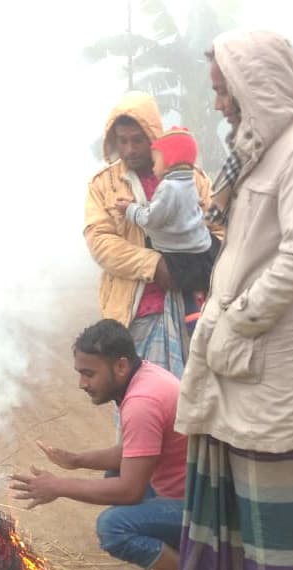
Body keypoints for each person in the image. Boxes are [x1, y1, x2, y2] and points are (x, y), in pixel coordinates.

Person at [172, 30, 293, 570]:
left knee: (278, 519)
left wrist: (237, 320)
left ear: (256, 86)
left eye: (225, 91)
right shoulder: (256, 154)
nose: (220, 103)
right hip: (235, 356)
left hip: (268, 358)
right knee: (242, 516)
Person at [9, 319, 188, 570]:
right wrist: (77, 460)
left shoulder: (142, 403)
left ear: (121, 366)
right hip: (188, 492)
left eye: (89, 374)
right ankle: (179, 547)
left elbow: (129, 490)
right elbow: (132, 452)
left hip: (196, 507)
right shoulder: (145, 375)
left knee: (112, 528)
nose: (82, 383)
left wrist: (59, 486)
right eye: (80, 373)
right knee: (114, 473)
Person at [83, 92, 220, 377]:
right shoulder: (102, 185)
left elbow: (219, 228)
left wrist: (192, 264)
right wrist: (156, 266)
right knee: (142, 407)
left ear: (153, 138)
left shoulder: (193, 179)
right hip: (136, 318)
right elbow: (100, 241)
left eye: (137, 140)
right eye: (122, 140)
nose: (130, 149)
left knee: (194, 407)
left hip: (193, 310)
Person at [114, 126, 220, 298]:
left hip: (178, 256)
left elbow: (151, 219)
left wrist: (130, 210)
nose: (153, 167)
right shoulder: (191, 181)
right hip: (202, 248)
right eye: (122, 141)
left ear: (169, 161)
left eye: (155, 162)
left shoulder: (167, 186)